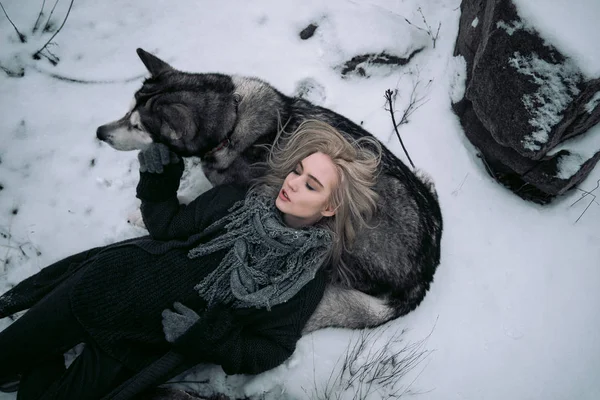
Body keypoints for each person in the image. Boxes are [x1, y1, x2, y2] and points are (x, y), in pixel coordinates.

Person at [0, 119, 381, 400]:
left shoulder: (305, 279)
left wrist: (206, 337)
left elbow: (270, 349)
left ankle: (38, 361)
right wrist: (160, 180)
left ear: (330, 207)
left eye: (311, 185)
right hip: (102, 286)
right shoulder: (236, 200)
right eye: (297, 171)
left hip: (134, 345)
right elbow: (167, 226)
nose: (293, 182)